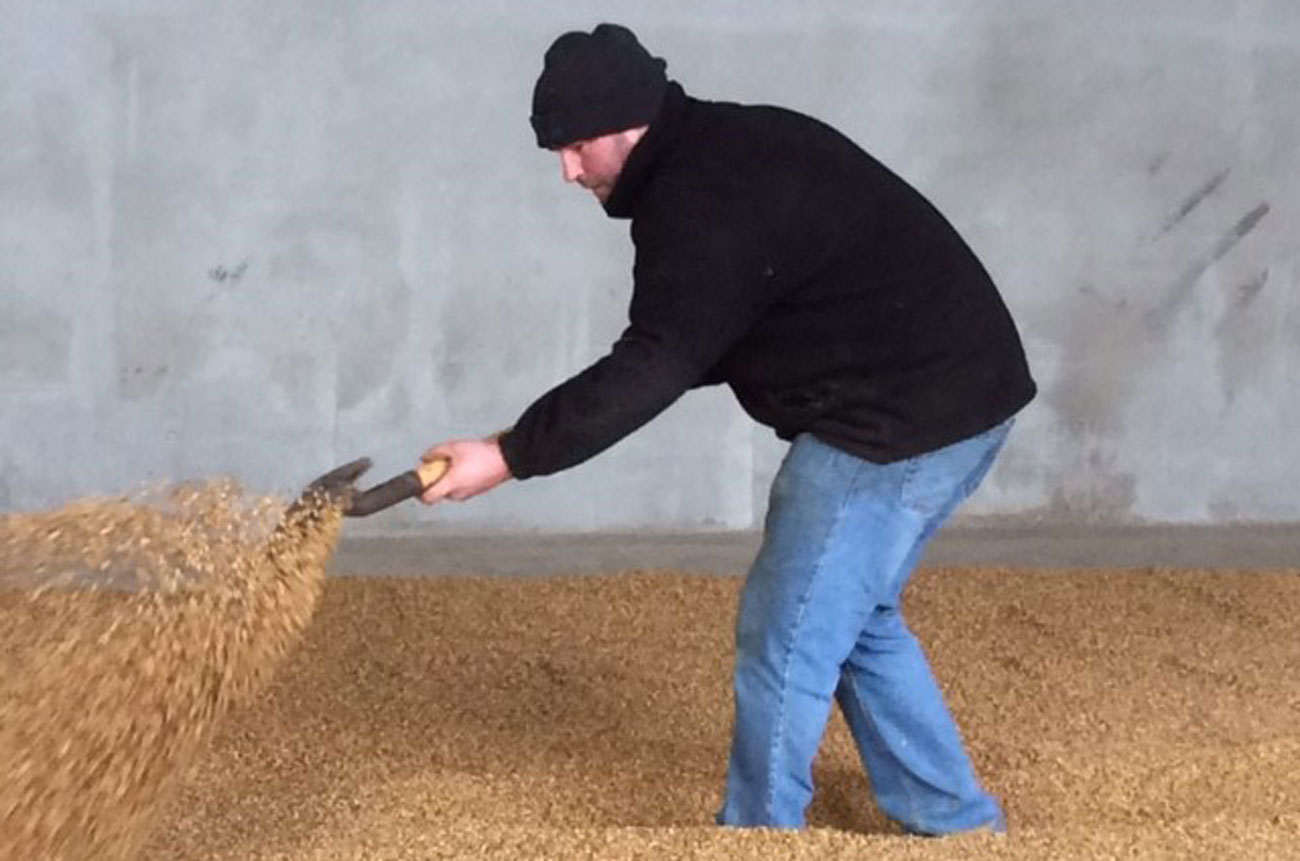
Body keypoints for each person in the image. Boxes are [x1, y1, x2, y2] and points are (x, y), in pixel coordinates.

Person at [419, 23, 1035, 835]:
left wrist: (508, 454)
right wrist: (528, 439)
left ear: (627, 123)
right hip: (968, 387)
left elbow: (657, 362)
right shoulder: (726, 148)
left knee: (785, 632)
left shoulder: (699, 202)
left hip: (899, 415)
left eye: (575, 147)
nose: (567, 171)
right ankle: (954, 819)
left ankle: (757, 835)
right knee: (848, 614)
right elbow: (701, 331)